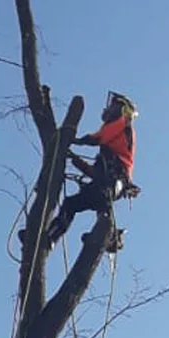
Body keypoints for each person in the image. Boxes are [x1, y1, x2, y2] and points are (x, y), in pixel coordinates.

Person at [45, 91, 140, 248]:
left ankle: (108, 235)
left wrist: (78, 140)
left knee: (101, 200)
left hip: (114, 181)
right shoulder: (107, 157)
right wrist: (74, 159)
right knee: (71, 204)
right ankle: (50, 237)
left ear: (122, 109)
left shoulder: (123, 124)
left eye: (113, 106)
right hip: (107, 183)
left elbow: (100, 136)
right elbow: (95, 173)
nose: (108, 109)